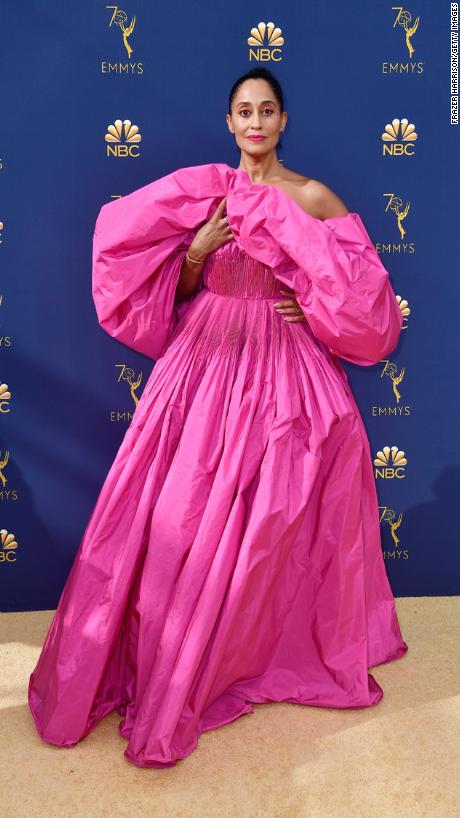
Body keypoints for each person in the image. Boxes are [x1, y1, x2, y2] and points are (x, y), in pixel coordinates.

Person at [28, 67, 408, 769]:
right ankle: (167, 652)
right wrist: (200, 248)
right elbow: (171, 288)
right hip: (201, 361)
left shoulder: (312, 196)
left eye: (267, 110)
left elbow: (363, 298)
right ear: (229, 123)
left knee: (272, 521)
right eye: (244, 111)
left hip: (284, 371)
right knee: (177, 511)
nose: (256, 122)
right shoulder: (202, 192)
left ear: (284, 121)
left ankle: (246, 653)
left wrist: (315, 309)